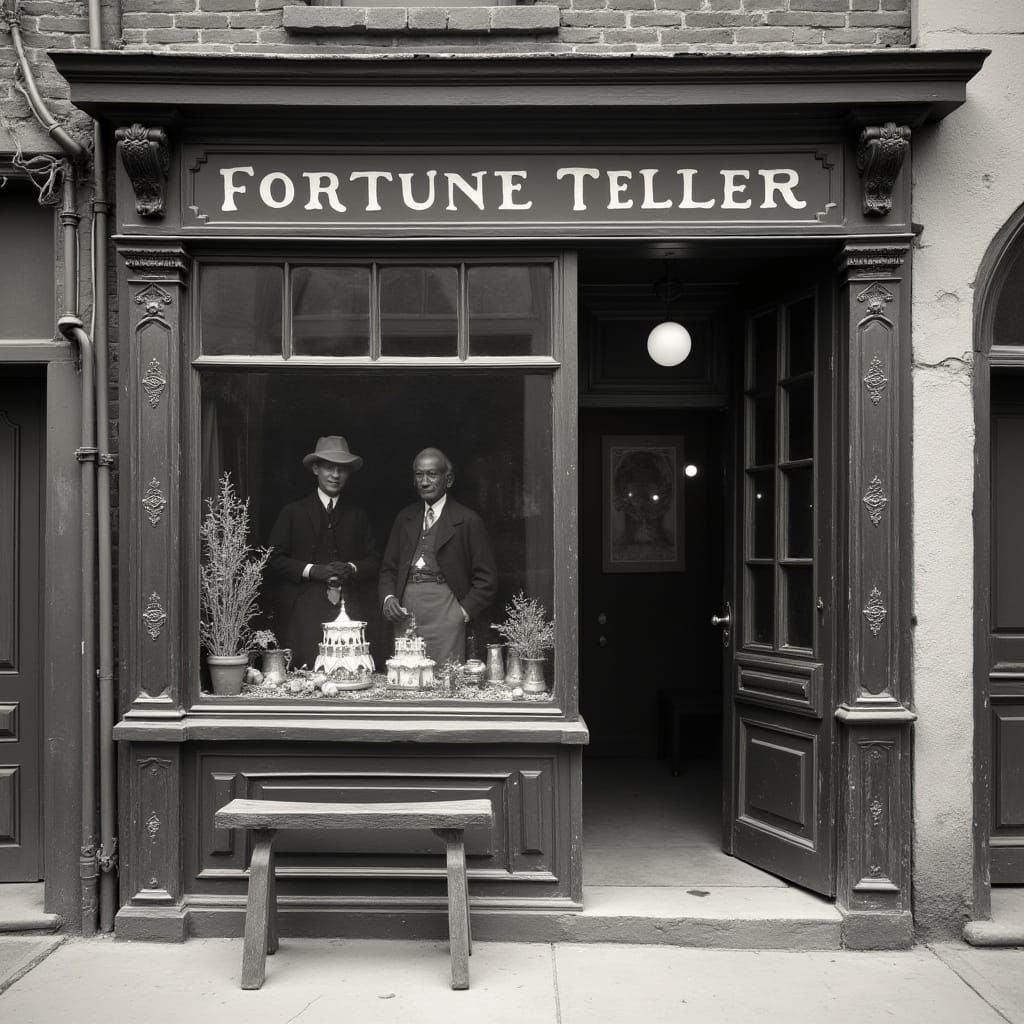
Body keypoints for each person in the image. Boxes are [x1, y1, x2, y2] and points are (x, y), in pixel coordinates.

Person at [268, 436, 380, 669]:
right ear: (316, 469)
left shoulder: (358, 516)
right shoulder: (293, 512)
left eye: (342, 469)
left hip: (349, 611)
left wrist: (351, 567)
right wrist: (312, 570)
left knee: (350, 671)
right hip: (304, 610)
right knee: (307, 673)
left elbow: (374, 561)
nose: (335, 475)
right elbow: (273, 560)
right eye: (329, 467)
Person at [380, 447, 498, 666]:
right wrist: (389, 599)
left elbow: (487, 580)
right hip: (407, 615)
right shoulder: (405, 517)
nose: (424, 481)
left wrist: (461, 612)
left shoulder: (468, 521)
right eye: (419, 474)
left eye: (432, 474)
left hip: (447, 614)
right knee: (407, 678)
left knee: (445, 682)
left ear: (449, 479)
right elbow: (388, 568)